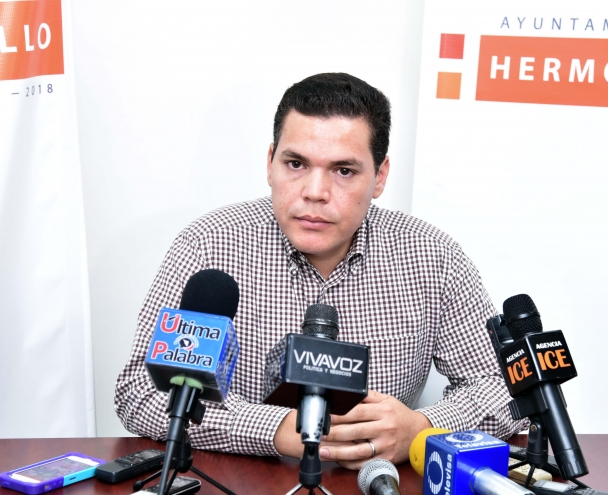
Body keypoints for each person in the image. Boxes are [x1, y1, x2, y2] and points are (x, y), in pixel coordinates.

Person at [115, 72, 526, 470]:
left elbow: (505, 388)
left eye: (344, 171)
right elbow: (141, 391)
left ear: (379, 177)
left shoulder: (433, 257)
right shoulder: (208, 245)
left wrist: (422, 428)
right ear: (270, 162)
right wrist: (275, 429)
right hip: (240, 479)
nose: (314, 192)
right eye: (295, 164)